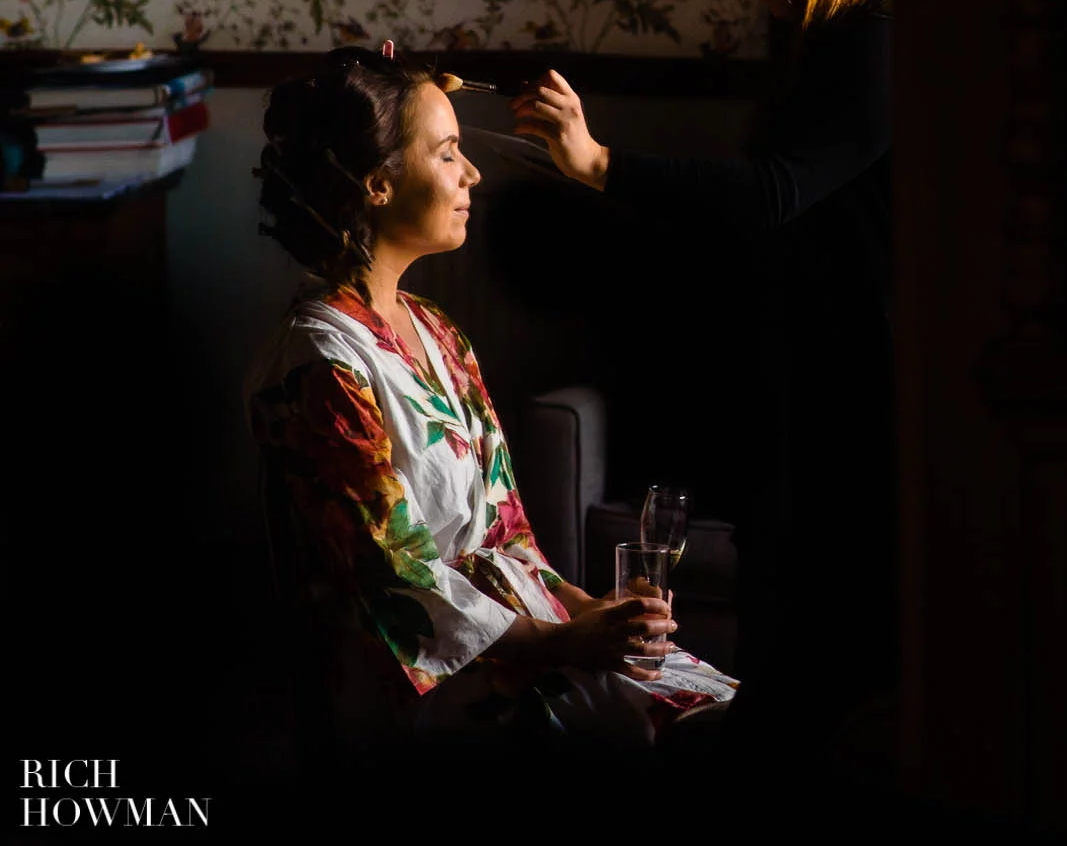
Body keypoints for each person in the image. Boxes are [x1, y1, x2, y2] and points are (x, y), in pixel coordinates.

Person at [243, 43, 738, 784]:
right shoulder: (320, 365)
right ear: (378, 183)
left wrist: (596, 612)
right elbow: (392, 584)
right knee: (707, 742)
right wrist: (562, 643)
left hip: (528, 635)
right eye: (447, 154)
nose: (472, 173)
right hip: (427, 675)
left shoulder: (437, 330)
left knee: (738, 711)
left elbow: (505, 530)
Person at [509, 0, 895, 777]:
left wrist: (602, 166)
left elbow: (772, 196)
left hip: (857, 372)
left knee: (822, 631)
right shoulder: (808, 43)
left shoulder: (870, 34)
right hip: (802, 367)